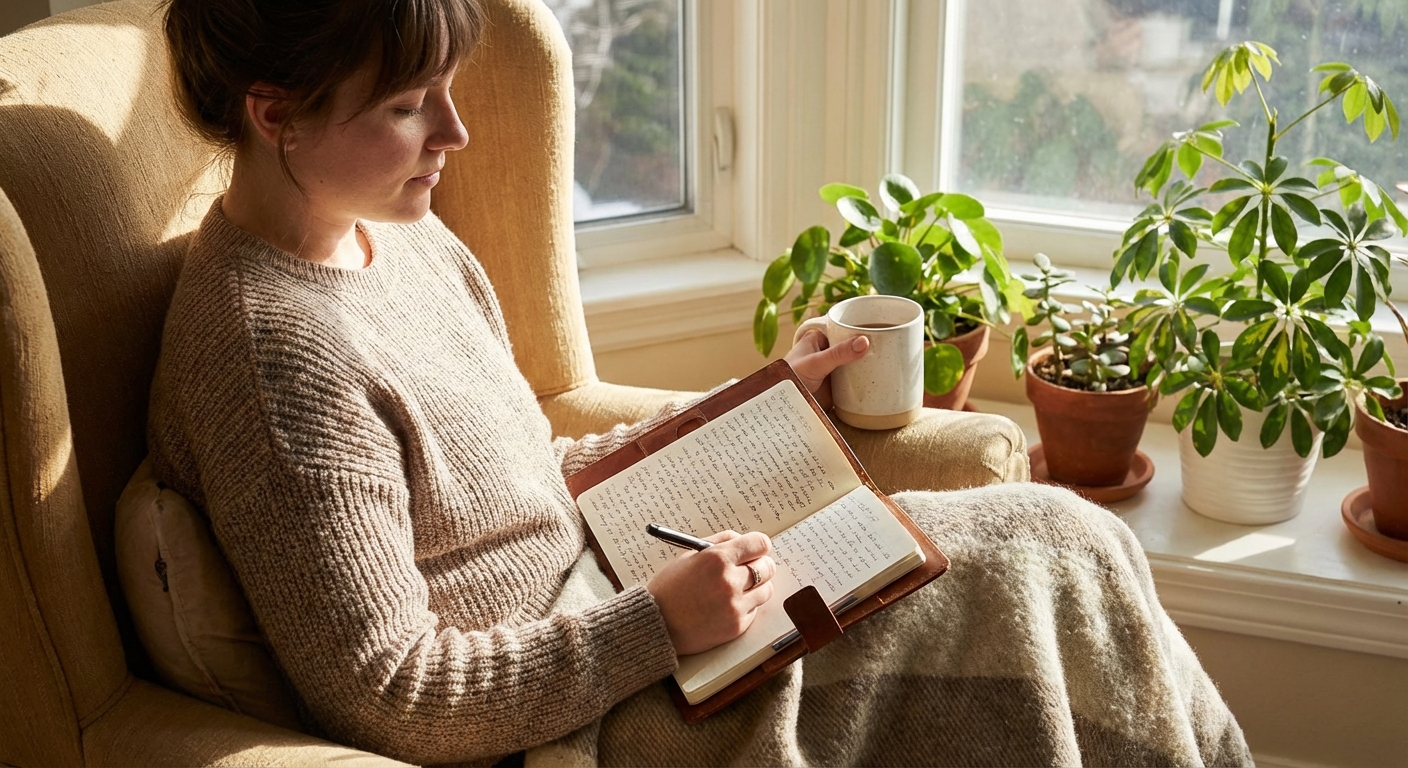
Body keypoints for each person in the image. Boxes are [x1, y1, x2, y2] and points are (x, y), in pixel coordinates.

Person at [149, 0, 1252, 765]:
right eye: (406, 106)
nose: (457, 131)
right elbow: (394, 692)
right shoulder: (271, 356)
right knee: (1023, 589)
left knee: (1067, 539)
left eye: (447, 88)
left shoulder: (399, 236)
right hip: (583, 717)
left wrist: (767, 405)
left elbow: (522, 473)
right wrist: (654, 627)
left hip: (629, 598)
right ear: (274, 113)